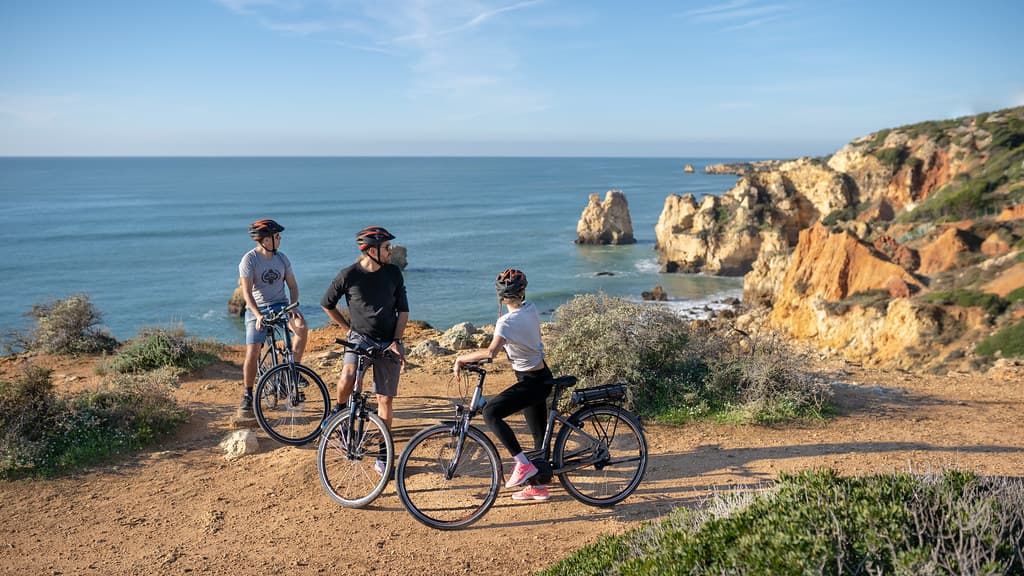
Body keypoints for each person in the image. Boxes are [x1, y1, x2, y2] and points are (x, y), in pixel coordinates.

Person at [453, 269, 553, 502]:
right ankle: (538, 487)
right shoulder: (531, 309)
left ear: (500, 297)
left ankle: (521, 464)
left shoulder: (505, 322)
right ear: (523, 291)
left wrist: (461, 359)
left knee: (490, 412)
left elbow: (490, 353)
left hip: (530, 382)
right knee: (539, 438)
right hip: (542, 377)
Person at [321, 226, 409, 475]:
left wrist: (397, 340)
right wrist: (347, 327)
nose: (391, 251)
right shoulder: (348, 275)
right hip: (360, 339)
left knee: (385, 399)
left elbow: (403, 311)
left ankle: (383, 456)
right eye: (386, 248)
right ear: (371, 251)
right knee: (348, 376)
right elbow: (327, 303)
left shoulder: (393, 273)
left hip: (388, 341)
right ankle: (339, 411)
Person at [238, 218, 307, 418]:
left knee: (301, 328)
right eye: (277, 236)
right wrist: (258, 315)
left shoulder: (282, 259)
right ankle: (248, 394)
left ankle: (293, 370)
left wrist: (293, 307)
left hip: (281, 305)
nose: (280, 239)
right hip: (257, 309)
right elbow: (246, 294)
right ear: (266, 240)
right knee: (252, 351)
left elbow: (293, 286)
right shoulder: (249, 260)